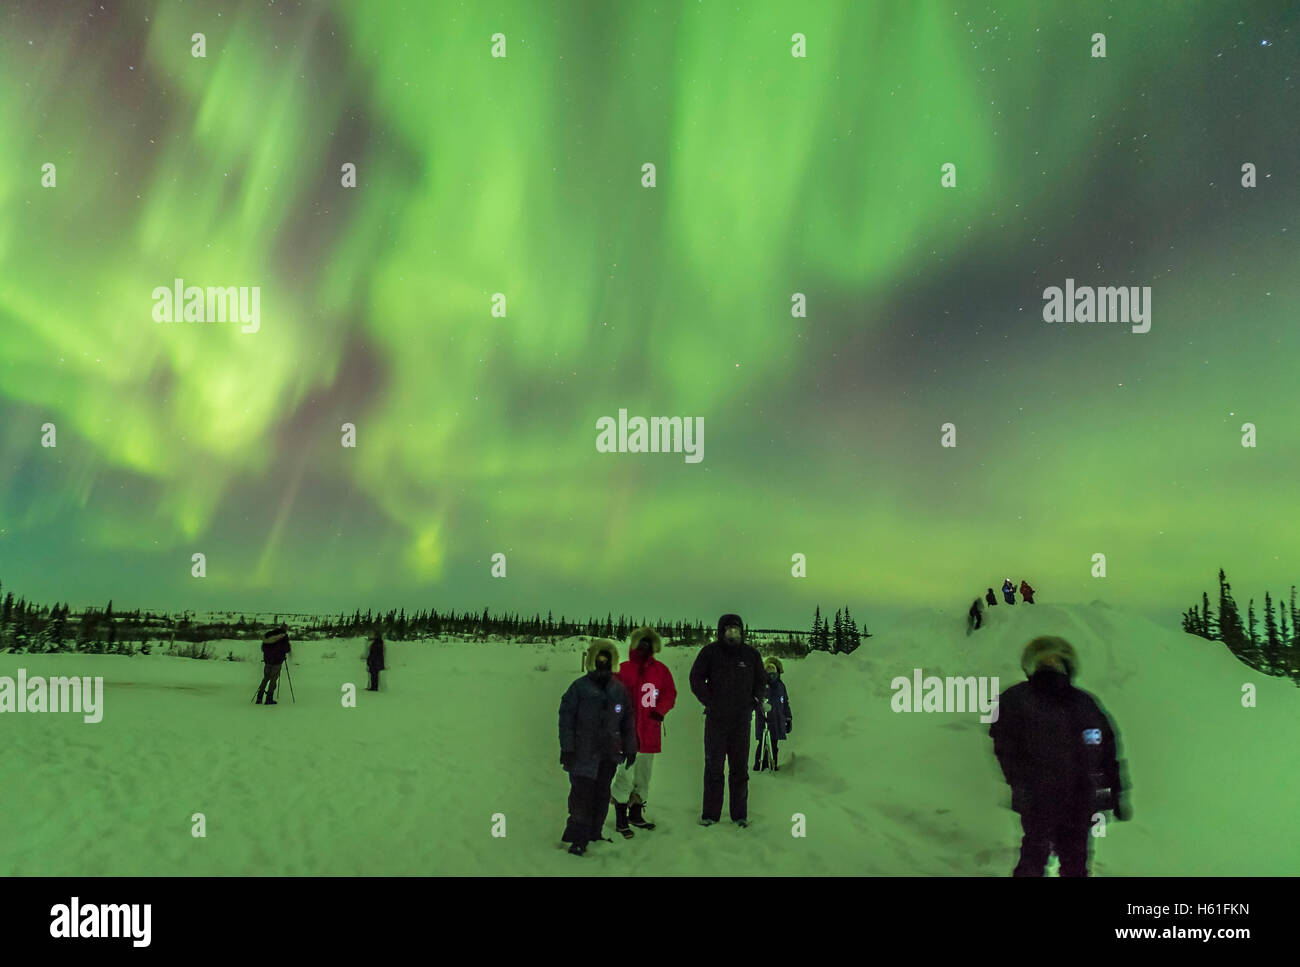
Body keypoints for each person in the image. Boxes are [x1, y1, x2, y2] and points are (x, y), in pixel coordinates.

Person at [989, 636, 1128, 876]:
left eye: (1054, 661)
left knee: (1075, 862)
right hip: (1038, 796)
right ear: (1032, 664)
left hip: (1079, 798)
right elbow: (1004, 744)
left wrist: (1113, 792)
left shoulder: (1085, 704)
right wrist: (1021, 782)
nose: (1050, 665)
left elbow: (1105, 751)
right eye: (1044, 661)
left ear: (1066, 664)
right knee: (1034, 855)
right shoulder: (1017, 699)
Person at [558, 639, 637, 855]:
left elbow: (628, 720)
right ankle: (578, 838)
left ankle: (595, 832)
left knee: (602, 795)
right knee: (581, 797)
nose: (603, 663)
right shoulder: (579, 688)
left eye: (607, 659)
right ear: (593, 661)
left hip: (609, 754)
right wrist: (567, 748)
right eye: (599, 659)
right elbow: (566, 718)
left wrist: (630, 747)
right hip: (582, 754)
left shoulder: (618, 690)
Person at [689, 613, 766, 827]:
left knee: (739, 769)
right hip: (716, 720)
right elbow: (695, 678)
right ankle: (710, 815)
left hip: (741, 721)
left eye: (736, 629)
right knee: (714, 767)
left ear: (742, 631)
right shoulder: (710, 653)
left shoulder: (751, 655)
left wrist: (755, 700)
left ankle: (739, 814)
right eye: (729, 629)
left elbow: (761, 681)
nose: (733, 633)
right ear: (721, 631)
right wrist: (709, 701)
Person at [609, 626, 676, 837]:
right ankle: (620, 817)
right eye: (641, 643)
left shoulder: (661, 670)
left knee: (643, 776)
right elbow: (611, 695)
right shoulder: (623, 669)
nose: (644, 647)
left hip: (649, 731)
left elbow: (669, 693)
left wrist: (659, 711)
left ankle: (635, 813)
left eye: (648, 644)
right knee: (625, 775)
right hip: (627, 733)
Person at [753, 658, 792, 771]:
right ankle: (760, 765)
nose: (771, 673)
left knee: (774, 744)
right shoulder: (761, 685)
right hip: (763, 721)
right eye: (768, 669)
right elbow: (755, 700)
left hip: (777, 720)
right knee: (762, 744)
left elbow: (785, 703)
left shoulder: (781, 686)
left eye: (773, 669)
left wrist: (788, 718)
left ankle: (772, 765)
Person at [255, 624, 292, 705]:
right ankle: (269, 699)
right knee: (273, 680)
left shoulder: (269, 636)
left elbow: (263, 648)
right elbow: (287, 649)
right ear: (285, 629)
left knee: (265, 678)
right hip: (277, 662)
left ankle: (259, 697)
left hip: (267, 661)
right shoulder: (283, 637)